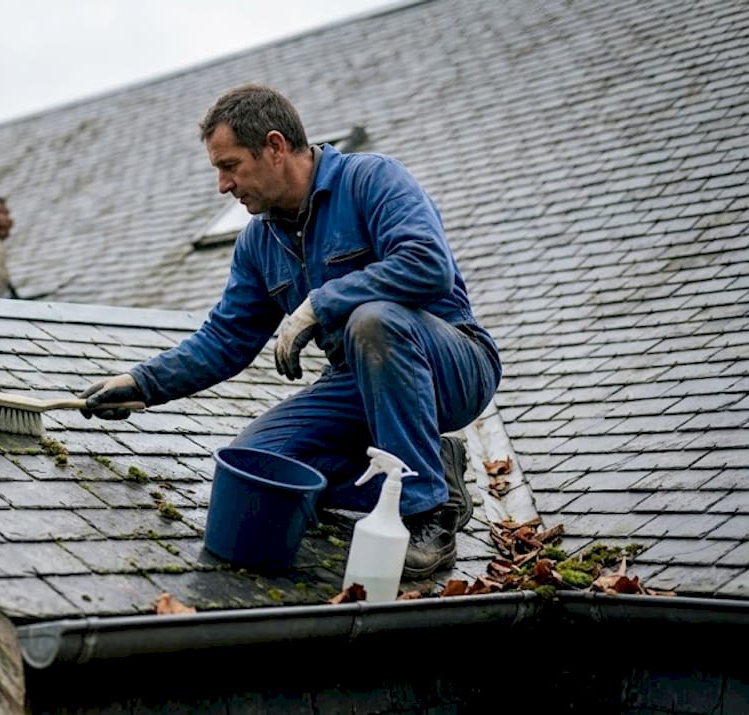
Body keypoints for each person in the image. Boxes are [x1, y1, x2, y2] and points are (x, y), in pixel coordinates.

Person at [78, 84, 502, 578]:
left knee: (373, 320)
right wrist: (143, 383)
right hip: (357, 384)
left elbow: (428, 265)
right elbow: (225, 339)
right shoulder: (258, 243)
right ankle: (432, 469)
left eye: (229, 166)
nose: (222, 185)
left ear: (275, 147)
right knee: (255, 470)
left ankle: (424, 512)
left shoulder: (372, 180)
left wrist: (321, 303)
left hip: (450, 366)